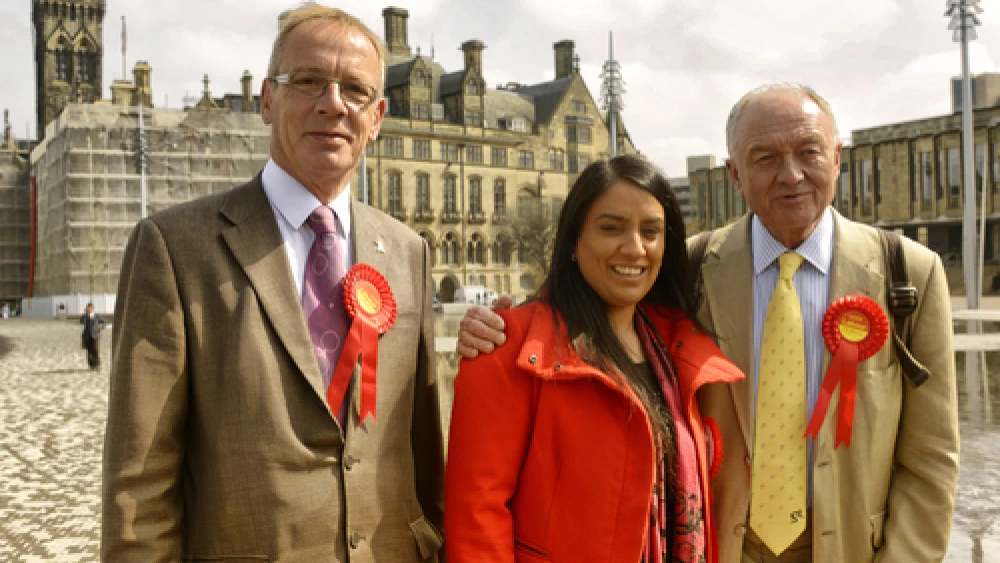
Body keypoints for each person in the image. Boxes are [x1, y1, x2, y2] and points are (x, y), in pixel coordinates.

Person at [457, 84, 959, 563]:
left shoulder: (909, 273)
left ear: (838, 159)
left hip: (857, 549)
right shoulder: (692, 267)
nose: (791, 175)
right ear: (734, 175)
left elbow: (931, 462)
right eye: (765, 158)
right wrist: (506, 319)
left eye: (809, 152)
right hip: (723, 546)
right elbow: (596, 291)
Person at [102, 4, 444, 562]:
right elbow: (139, 488)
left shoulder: (409, 252)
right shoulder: (174, 247)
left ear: (376, 118)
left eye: (355, 90)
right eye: (308, 81)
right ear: (266, 99)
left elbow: (425, 455)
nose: (333, 103)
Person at [446, 155, 744, 562]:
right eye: (611, 228)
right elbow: (477, 515)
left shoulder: (678, 347)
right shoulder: (507, 346)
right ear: (573, 241)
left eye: (651, 231)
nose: (634, 248)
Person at [80, 303, 106, 369]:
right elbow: (81, 321)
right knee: (89, 350)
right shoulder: (85, 316)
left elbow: (104, 322)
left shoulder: (97, 316)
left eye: (89, 308)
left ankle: (97, 364)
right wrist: (86, 314)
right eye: (87, 308)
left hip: (96, 335)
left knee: (96, 349)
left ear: (92, 308)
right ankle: (91, 365)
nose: (88, 309)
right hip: (87, 335)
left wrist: (101, 327)